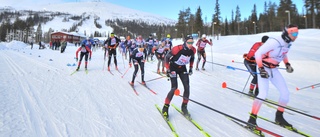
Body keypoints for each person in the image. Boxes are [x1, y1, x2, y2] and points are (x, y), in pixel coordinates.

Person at [247, 24, 298, 132]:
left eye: (297, 33)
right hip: (264, 67)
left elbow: (283, 54)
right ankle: (252, 119)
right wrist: (261, 69)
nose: (296, 36)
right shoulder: (274, 41)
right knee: (262, 94)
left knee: (285, 93)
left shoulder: (287, 43)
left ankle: (279, 117)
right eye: (294, 33)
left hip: (274, 69)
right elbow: (258, 53)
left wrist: (287, 64)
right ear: (287, 33)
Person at [162, 35, 196, 119]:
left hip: (182, 68)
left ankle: (184, 107)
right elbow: (167, 57)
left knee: (187, 87)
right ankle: (165, 108)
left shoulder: (193, 50)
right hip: (173, 67)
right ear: (185, 42)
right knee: (174, 88)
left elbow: (192, 58)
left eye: (192, 42)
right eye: (189, 42)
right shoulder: (178, 48)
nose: (190, 44)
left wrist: (191, 68)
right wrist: (168, 68)